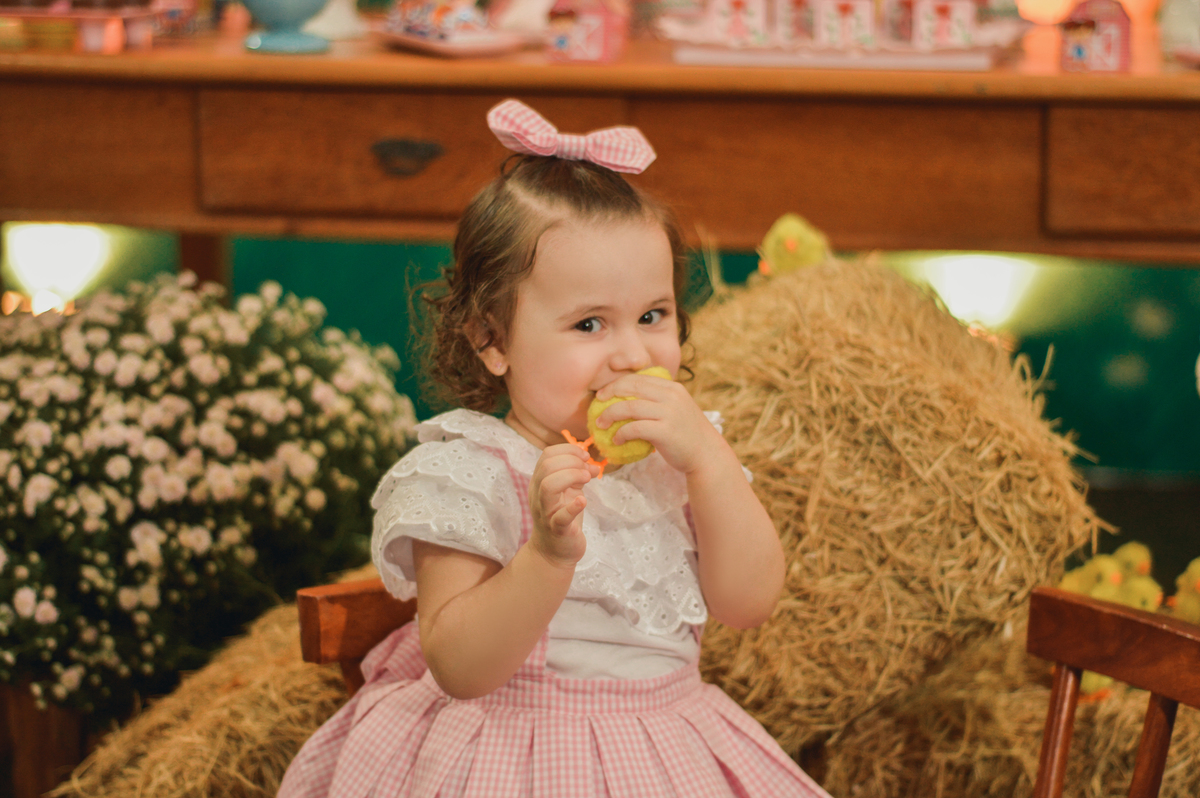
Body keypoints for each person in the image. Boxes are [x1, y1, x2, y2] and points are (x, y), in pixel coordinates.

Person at [278, 99, 831, 798]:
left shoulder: (676, 464)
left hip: (664, 745)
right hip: (510, 751)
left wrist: (712, 464)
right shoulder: (470, 470)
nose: (633, 353)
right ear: (492, 340)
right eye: (590, 323)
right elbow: (460, 667)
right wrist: (544, 558)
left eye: (653, 315)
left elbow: (749, 602)